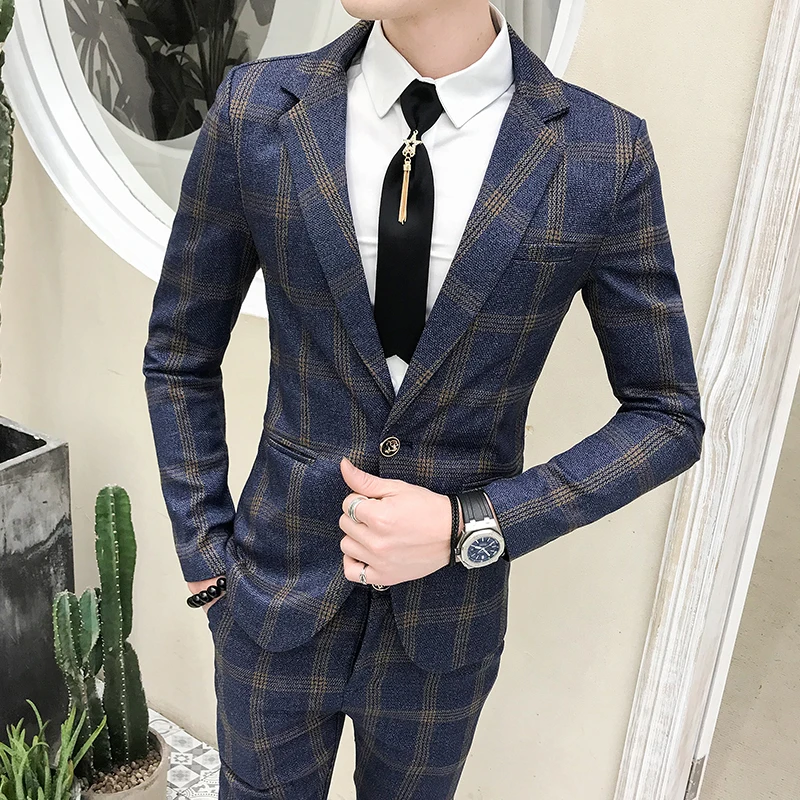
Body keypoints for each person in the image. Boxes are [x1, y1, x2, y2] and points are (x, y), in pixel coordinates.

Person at [142, 1, 705, 797]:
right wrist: (205, 555)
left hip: (445, 635)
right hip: (271, 600)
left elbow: (667, 413)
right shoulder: (256, 113)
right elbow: (179, 350)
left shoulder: (601, 153)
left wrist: (473, 524)